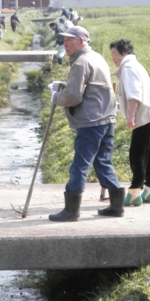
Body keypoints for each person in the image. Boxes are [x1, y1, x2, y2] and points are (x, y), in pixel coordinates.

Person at [48, 26, 124, 221]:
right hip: (107, 118)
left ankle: (71, 211)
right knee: (102, 161)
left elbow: (73, 96)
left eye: (69, 40)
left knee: (79, 166)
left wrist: (56, 96)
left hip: (91, 121)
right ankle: (117, 207)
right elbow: (90, 87)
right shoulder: (96, 57)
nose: (65, 44)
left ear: (81, 41)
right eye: (63, 40)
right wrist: (64, 87)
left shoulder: (81, 63)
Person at [110, 39, 150, 206]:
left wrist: (131, 117)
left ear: (124, 53)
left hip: (143, 117)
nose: (113, 58)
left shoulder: (128, 68)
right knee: (149, 154)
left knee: (137, 155)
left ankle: (135, 192)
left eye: (114, 54)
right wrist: (121, 107)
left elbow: (134, 95)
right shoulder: (135, 65)